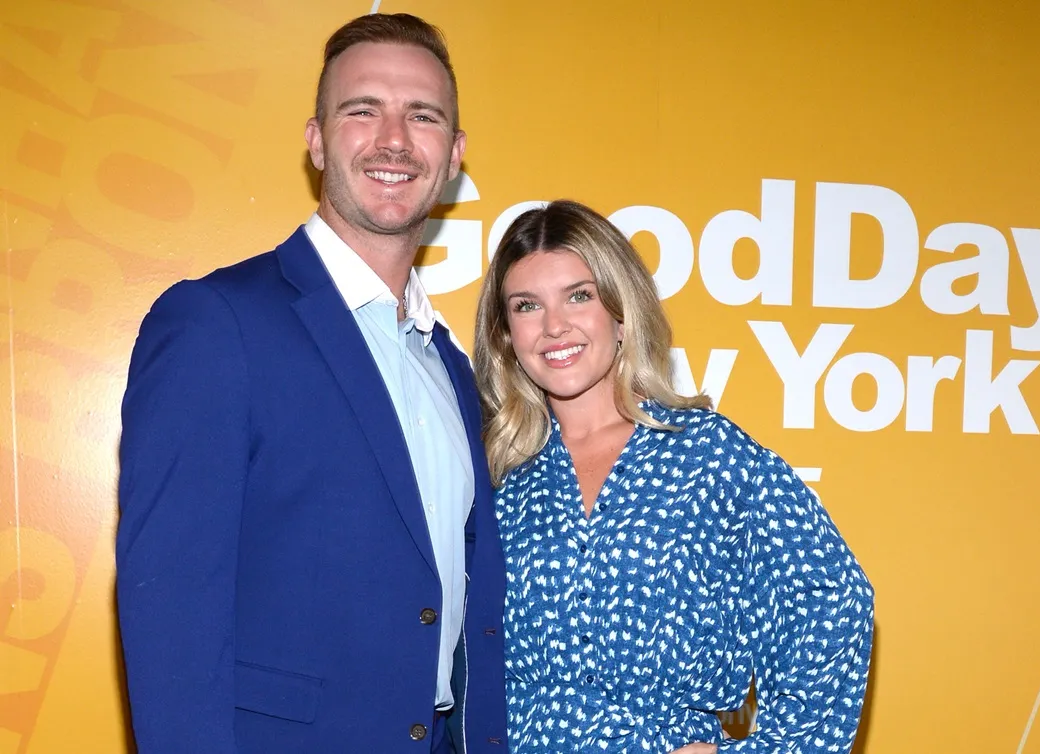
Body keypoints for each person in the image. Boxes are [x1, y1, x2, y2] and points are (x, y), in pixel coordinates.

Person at [116, 13, 507, 754]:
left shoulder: (450, 367)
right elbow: (169, 611)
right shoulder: (217, 324)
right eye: (363, 110)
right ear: (317, 140)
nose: (394, 138)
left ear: (453, 155)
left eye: (422, 116)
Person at [473, 200, 875, 753]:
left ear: (620, 313)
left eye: (579, 295)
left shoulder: (706, 453)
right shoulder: (497, 474)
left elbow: (831, 598)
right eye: (526, 306)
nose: (553, 326)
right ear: (505, 335)